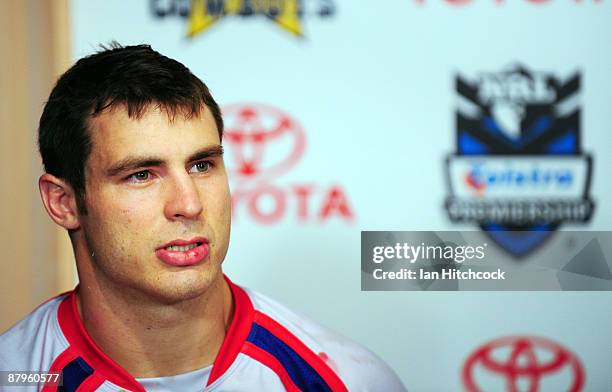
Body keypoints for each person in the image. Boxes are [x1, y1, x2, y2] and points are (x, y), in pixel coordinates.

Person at [0, 44, 406, 392]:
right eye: (141, 175)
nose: (189, 204)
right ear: (63, 202)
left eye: (202, 166)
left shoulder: (343, 378)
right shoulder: (14, 375)